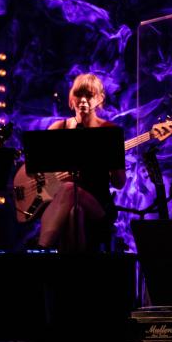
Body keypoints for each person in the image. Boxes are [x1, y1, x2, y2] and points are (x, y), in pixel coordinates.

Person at [37, 73, 126, 251]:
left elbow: (119, 183)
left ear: (100, 99)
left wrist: (111, 159)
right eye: (79, 95)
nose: (83, 100)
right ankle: (79, 273)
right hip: (61, 204)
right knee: (73, 212)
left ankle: (41, 249)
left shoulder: (109, 131)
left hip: (98, 205)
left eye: (89, 95)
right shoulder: (58, 129)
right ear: (71, 100)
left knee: (71, 189)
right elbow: (37, 170)